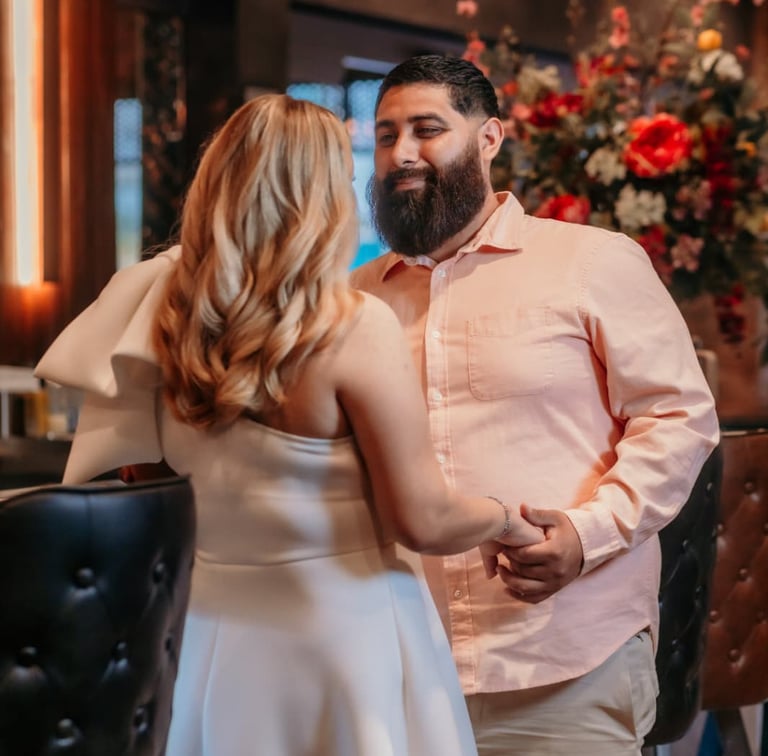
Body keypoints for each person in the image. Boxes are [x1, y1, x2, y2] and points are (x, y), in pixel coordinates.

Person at [34, 94, 545, 756]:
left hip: (204, 635)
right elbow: (422, 518)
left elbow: (142, 476)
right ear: (320, 196)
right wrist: (505, 518)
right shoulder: (352, 326)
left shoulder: (161, 319)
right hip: (339, 637)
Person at [351, 54, 720, 756]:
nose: (402, 153)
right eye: (386, 134)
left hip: (564, 663)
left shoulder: (592, 262)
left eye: (428, 129)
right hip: (396, 664)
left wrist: (588, 534)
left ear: (489, 138)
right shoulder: (355, 299)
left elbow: (679, 418)